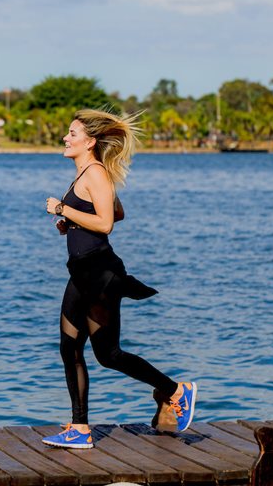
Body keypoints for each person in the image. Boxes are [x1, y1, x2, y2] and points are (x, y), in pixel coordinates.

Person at [41, 109, 196, 449]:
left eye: (72, 133)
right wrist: (75, 222)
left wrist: (63, 210)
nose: (66, 138)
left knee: (108, 354)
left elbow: (108, 223)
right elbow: (115, 211)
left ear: (90, 141)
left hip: (100, 274)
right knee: (71, 349)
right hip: (82, 273)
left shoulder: (95, 173)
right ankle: (79, 429)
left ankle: (175, 391)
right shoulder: (87, 173)